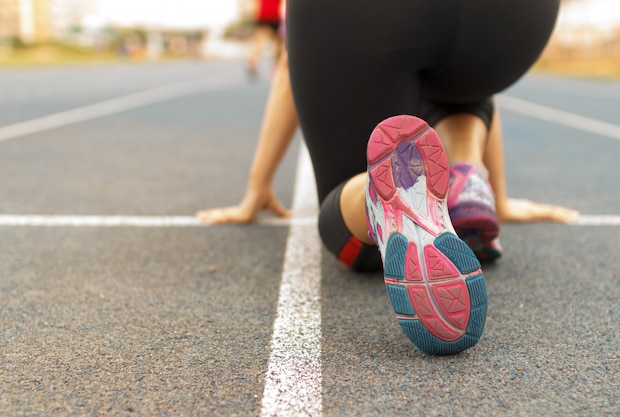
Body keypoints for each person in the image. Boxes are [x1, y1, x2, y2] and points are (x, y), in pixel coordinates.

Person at [199, 0, 579, 355]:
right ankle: (467, 173)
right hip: (518, 23)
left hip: (376, 16)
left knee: (340, 215)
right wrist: (503, 197)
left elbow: (292, 64)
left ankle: (378, 194)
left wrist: (257, 186)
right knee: (458, 78)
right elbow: (481, 87)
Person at [246, 0, 284, 78]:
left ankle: (253, 61)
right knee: (278, 43)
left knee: (259, 42)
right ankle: (277, 65)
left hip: (264, 15)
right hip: (275, 15)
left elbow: (255, 3)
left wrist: (255, 14)